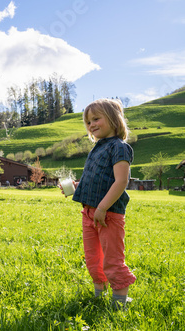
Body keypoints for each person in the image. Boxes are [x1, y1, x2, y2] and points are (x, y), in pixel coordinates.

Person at [64, 98, 136, 309]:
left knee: (112, 259)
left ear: (113, 119)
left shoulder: (120, 147)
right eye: (88, 122)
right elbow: (97, 180)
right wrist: (76, 188)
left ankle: (119, 302)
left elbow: (121, 181)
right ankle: (99, 296)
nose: (91, 125)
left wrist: (103, 208)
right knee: (93, 258)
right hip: (89, 213)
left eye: (96, 119)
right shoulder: (97, 148)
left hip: (109, 214)